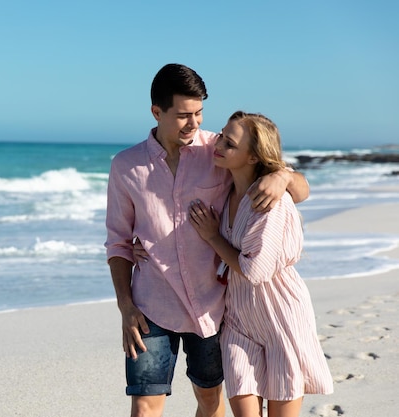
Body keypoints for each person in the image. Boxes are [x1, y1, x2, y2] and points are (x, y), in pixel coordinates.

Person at [105, 63, 310, 417]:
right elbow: (118, 244)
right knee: (144, 408)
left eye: (200, 113)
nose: (195, 123)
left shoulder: (217, 151)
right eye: (184, 115)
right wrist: (125, 305)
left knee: (210, 402)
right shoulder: (126, 166)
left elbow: (292, 184)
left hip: (212, 308)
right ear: (157, 111)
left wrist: (282, 176)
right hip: (151, 305)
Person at [188, 111, 333, 417]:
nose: (219, 144)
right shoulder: (225, 192)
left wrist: (214, 238)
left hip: (281, 315)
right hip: (239, 318)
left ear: (252, 157)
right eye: (221, 136)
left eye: (230, 142)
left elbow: (255, 270)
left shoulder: (269, 201)